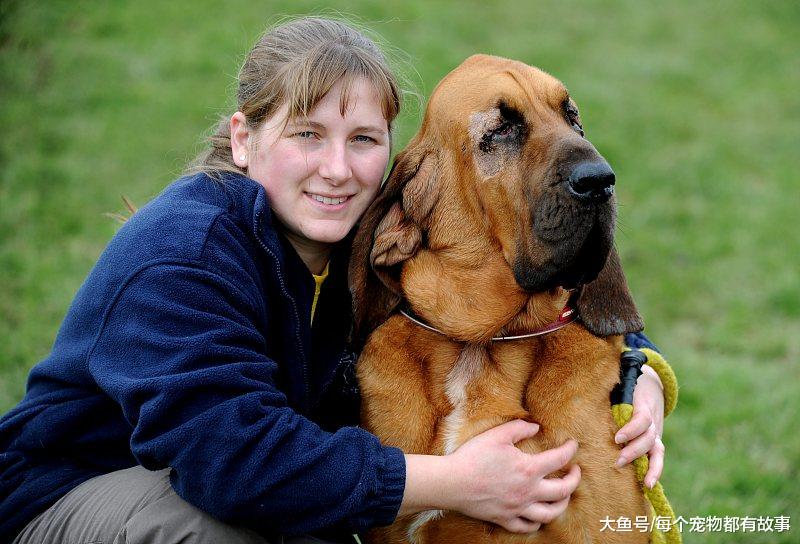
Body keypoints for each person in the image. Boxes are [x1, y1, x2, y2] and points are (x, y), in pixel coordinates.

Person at [0, 16, 668, 544]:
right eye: (308, 135)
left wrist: (640, 374)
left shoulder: (365, 232)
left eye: (362, 140)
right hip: (71, 494)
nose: (337, 169)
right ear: (243, 139)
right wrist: (454, 482)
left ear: (396, 163)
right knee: (207, 534)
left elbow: (543, 277)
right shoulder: (180, 253)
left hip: (250, 494)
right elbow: (233, 460)